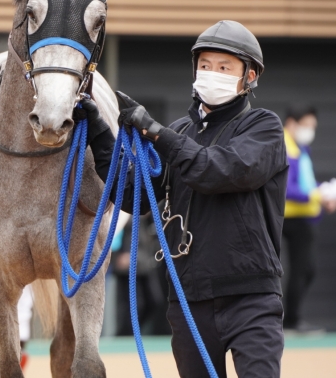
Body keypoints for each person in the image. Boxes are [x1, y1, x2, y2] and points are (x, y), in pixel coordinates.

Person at [81, 20, 288, 377]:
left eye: (225, 67)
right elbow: (137, 196)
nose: (212, 74)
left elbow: (221, 170)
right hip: (188, 297)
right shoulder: (180, 132)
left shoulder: (264, 127)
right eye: (205, 65)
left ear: (250, 76)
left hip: (251, 295)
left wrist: (154, 131)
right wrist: (100, 134)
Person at [281, 105, 336, 334]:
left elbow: (306, 184)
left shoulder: (301, 148)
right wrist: (318, 194)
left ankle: (290, 320)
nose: (310, 130)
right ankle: (290, 321)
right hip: (288, 217)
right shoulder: (283, 146)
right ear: (292, 123)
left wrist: (323, 198)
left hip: (303, 217)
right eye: (307, 125)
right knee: (299, 269)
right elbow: (285, 188)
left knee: (306, 269)